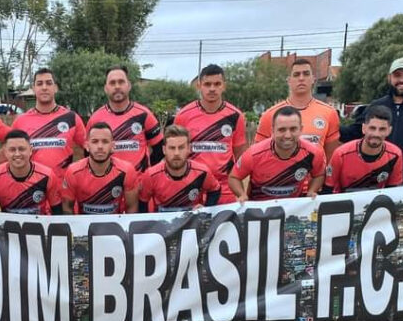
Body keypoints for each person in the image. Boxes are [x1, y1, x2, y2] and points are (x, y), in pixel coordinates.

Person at [172, 64, 247, 204]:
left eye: (217, 84)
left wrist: (239, 189)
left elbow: (240, 156)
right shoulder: (183, 116)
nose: (212, 88)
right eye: (207, 84)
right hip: (192, 187)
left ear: (224, 86)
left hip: (225, 188)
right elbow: (177, 152)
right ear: (199, 86)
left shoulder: (236, 116)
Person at [229, 106, 326, 202]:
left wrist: (312, 190)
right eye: (282, 130)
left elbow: (319, 175)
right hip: (260, 212)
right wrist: (241, 194)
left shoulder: (313, 153)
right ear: (272, 131)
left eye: (293, 129)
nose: (287, 135)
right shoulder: (253, 154)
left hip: (295, 210)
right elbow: (234, 177)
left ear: (301, 129)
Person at [256, 58, 341, 160]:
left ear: (313, 79)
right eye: (296, 75)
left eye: (306, 74)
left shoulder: (329, 113)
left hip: (315, 175)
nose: (301, 78)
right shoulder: (270, 115)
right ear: (289, 81)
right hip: (280, 174)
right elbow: (259, 155)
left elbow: (330, 157)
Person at [9, 68, 86, 179]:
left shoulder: (71, 118)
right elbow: (10, 155)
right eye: (39, 84)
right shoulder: (20, 121)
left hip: (63, 190)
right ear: (34, 89)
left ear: (55, 88)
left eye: (49, 83)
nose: (44, 87)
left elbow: (90, 148)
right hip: (32, 188)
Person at [88, 65, 164, 171]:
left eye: (121, 82)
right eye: (112, 83)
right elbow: (88, 154)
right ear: (106, 88)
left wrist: (145, 174)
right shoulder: (95, 119)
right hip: (107, 185)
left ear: (129, 86)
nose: (117, 86)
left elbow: (159, 149)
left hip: (139, 185)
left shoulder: (144, 114)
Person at [61, 122, 139, 214]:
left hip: (115, 226)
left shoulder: (126, 171)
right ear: (87, 146)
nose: (100, 147)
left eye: (105, 141)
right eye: (95, 141)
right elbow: (67, 210)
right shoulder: (73, 172)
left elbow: (132, 209)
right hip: (83, 227)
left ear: (112, 146)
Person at [323, 105, 403, 193]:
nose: (376, 134)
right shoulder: (341, 154)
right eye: (372, 128)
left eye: (382, 129)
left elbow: (392, 191)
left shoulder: (395, 154)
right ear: (364, 128)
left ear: (389, 131)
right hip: (343, 204)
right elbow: (328, 189)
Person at [139, 125, 220, 212]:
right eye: (172, 148)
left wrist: (206, 209)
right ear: (164, 150)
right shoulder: (150, 175)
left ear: (188, 149)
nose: (176, 153)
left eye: (181, 148)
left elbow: (215, 190)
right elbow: (142, 203)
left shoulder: (202, 172)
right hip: (162, 224)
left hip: (193, 223)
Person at [0, 129, 62, 215]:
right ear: (5, 152)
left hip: (39, 226)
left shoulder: (47, 175)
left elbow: (57, 211)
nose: (17, 154)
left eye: (22, 149)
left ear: (30, 150)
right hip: (7, 227)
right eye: (12, 150)